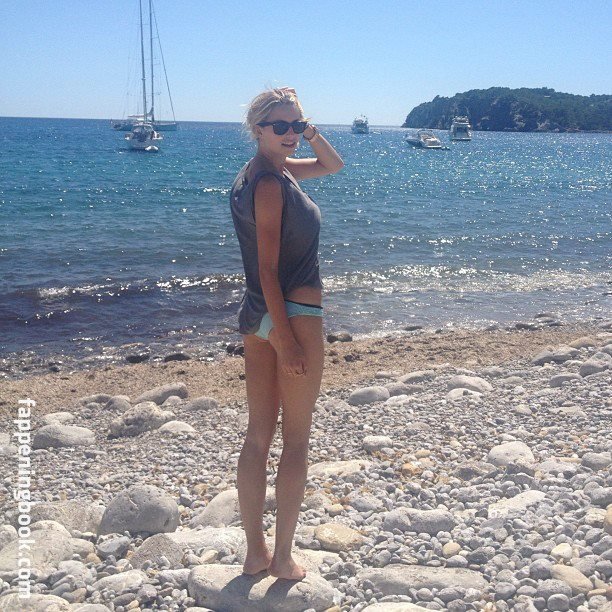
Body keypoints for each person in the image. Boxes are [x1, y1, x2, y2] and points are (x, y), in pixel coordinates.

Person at [229, 87, 344, 580]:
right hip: (289, 314)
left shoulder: (267, 170)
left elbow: (333, 165)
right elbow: (268, 267)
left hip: (256, 315)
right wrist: (288, 337)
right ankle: (280, 559)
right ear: (258, 129)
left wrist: (309, 133)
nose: (291, 133)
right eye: (281, 126)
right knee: (295, 440)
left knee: (258, 435)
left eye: (297, 124)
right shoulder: (271, 184)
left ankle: (254, 554)